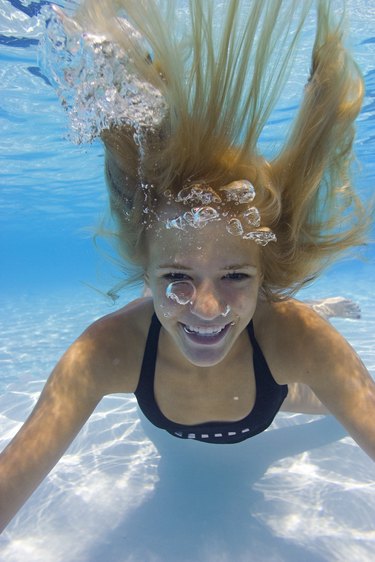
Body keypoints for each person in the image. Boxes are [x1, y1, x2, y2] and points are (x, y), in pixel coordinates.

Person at [1, 0, 374, 533]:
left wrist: (308, 328)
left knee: (329, 407)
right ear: (145, 271)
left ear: (266, 273)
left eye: (236, 276)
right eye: (177, 277)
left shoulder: (301, 343)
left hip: (276, 392)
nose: (204, 308)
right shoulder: (105, 353)